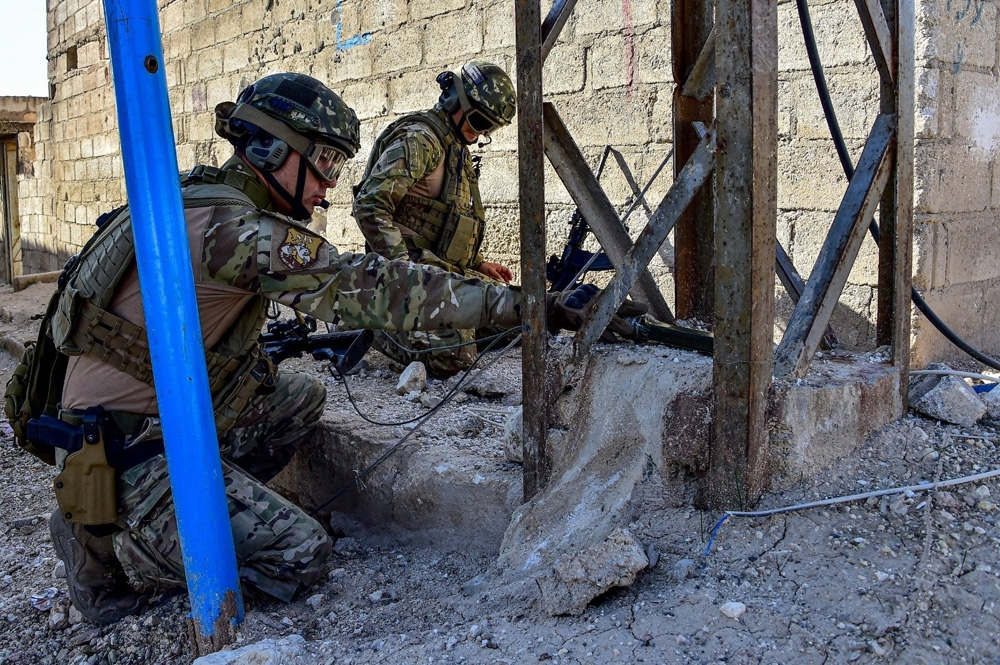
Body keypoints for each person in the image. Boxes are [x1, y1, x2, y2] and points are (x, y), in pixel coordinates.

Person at [40, 72, 596, 624]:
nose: (329, 184)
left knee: (296, 398)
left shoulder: (202, 198)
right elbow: (372, 287)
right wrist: (530, 305)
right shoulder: (230, 231)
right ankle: (109, 547)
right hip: (124, 457)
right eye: (324, 161)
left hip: (139, 429)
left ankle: (214, 505)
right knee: (302, 554)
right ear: (271, 147)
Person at [352, 60, 518, 377]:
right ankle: (366, 318)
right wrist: (403, 272)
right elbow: (370, 205)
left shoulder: (455, 146)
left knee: (517, 315)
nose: (481, 133)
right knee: (452, 356)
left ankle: (443, 322)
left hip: (442, 271)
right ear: (455, 100)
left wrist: (478, 263)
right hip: (408, 275)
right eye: (480, 121)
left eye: (490, 129)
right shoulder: (420, 141)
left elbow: (444, 219)